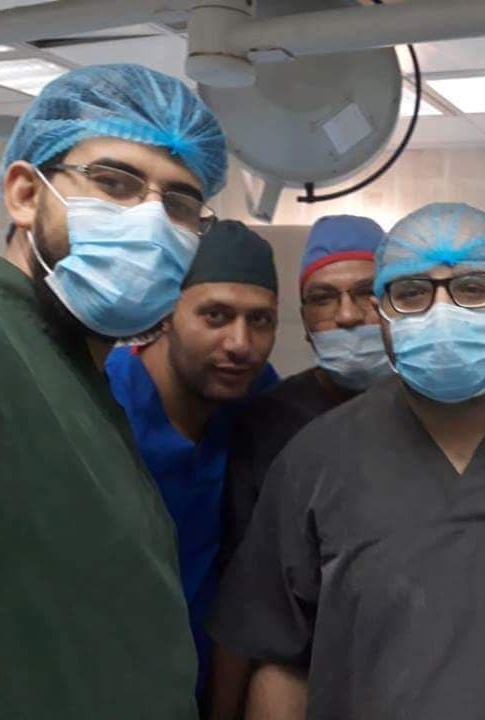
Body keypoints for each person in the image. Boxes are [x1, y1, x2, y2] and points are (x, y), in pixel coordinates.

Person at [209, 202, 485, 720]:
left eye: (473, 288)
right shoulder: (315, 458)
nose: (442, 312)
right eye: (411, 293)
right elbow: (280, 662)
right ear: (382, 311)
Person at [0, 64, 227, 719]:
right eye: (114, 183)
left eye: (179, 203)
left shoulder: (73, 372)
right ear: (25, 193)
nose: (151, 221)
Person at [209, 213, 390, 719]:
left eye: (367, 293)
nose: (348, 316)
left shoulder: (434, 412)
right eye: (323, 298)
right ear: (305, 319)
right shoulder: (271, 420)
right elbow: (245, 592)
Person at [105, 220, 280, 709]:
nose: (240, 343)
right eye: (215, 316)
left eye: (260, 320)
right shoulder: (100, 402)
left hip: (203, 684)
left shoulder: (257, 398)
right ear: (165, 313)